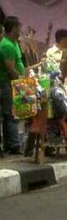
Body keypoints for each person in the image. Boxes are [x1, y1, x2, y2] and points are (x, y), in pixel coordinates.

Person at [0, 17, 25, 155]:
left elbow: (18, 63)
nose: (20, 30)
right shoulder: (7, 46)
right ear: (14, 28)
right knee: (11, 114)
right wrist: (21, 81)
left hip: (14, 83)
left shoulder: (14, 43)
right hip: (8, 84)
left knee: (11, 114)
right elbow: (10, 68)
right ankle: (14, 145)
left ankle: (11, 144)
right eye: (19, 27)